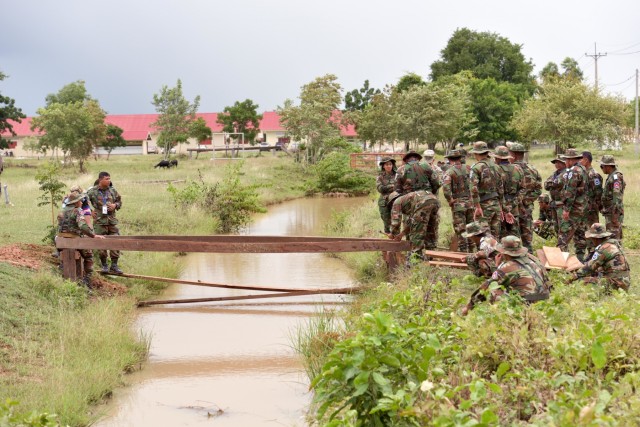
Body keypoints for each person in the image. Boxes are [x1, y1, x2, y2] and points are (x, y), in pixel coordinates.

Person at [462, 235, 550, 315]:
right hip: (544, 300)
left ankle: (507, 316)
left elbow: (487, 286)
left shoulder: (508, 267)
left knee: (494, 291)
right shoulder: (534, 259)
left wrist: (468, 307)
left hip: (526, 303)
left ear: (504, 252)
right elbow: (548, 283)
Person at [57, 190, 106, 287]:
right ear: (75, 202)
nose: (81, 202)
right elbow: (83, 226)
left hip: (61, 241)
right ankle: (86, 280)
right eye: (80, 200)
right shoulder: (78, 211)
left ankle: (63, 266)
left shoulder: (62, 212)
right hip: (74, 240)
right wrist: (93, 235)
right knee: (88, 256)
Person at [571, 223, 630, 291]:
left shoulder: (603, 249)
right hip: (624, 282)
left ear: (596, 238)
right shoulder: (613, 245)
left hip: (616, 284)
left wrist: (571, 278)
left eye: (592, 238)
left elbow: (589, 268)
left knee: (582, 281)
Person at [389, 190, 440, 263]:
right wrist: (402, 234)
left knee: (417, 233)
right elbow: (413, 222)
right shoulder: (408, 200)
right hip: (434, 201)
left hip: (423, 202)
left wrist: (393, 234)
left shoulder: (396, 202)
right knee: (430, 230)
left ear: (391, 201)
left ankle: (416, 260)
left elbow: (396, 221)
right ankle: (431, 256)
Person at [87, 171, 123, 274]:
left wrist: (115, 205)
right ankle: (104, 266)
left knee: (116, 242)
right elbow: (83, 202)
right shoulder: (92, 192)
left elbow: (119, 201)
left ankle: (114, 266)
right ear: (100, 180)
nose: (109, 181)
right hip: (99, 222)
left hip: (112, 221)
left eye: (109, 179)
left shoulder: (112, 190)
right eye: (106, 179)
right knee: (101, 245)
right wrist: (89, 211)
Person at [509, 143, 542, 253]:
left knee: (513, 234)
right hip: (527, 208)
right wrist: (527, 200)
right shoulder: (533, 169)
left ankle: (515, 257)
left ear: (513, 154)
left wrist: (516, 201)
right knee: (527, 235)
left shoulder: (510, 170)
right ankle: (529, 257)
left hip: (512, 208)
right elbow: (538, 190)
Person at [557, 148, 589, 262]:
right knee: (580, 235)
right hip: (583, 208)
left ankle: (560, 262)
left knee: (563, 236)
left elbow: (570, 192)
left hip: (574, 209)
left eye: (566, 159)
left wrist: (566, 209)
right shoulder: (583, 169)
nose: (565, 162)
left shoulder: (573, 171)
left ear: (570, 160)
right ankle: (580, 260)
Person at [469, 141, 504, 238]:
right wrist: (500, 205)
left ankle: (485, 253)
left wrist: (477, 206)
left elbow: (473, 188)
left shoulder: (476, 168)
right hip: (496, 204)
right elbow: (501, 188)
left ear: (476, 153)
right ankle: (496, 253)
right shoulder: (497, 167)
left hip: (483, 205)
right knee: (495, 237)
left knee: (483, 237)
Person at [442, 149, 474, 252]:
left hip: (458, 203)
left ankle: (463, 251)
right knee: (471, 227)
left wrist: (450, 200)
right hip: (471, 202)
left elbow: (446, 189)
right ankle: (472, 249)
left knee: (461, 229)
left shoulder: (449, 172)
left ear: (450, 159)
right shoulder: (469, 169)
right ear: (460, 158)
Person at [492, 145, 525, 238]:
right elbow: (523, 189)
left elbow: (494, 191)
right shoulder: (518, 169)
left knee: (500, 236)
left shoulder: (495, 170)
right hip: (514, 208)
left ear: (497, 158)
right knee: (514, 236)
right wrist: (514, 203)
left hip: (499, 208)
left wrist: (503, 207)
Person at [599, 155, 625, 240]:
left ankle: (616, 253)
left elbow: (617, 197)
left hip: (613, 212)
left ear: (608, 166)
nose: (601, 168)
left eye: (602, 166)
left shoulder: (616, 177)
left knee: (614, 237)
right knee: (612, 236)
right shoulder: (611, 176)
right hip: (610, 211)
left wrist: (615, 215)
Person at [544, 156, 567, 235]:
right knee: (556, 224)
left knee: (563, 225)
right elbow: (546, 185)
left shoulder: (567, 173)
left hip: (562, 203)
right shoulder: (555, 174)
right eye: (555, 162)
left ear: (564, 163)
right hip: (554, 203)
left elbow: (558, 183)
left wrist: (552, 183)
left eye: (559, 162)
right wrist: (552, 183)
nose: (556, 164)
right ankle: (559, 240)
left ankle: (563, 243)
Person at [376, 157, 397, 233]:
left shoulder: (397, 175)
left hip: (396, 200)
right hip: (384, 202)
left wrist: (387, 188)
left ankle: (396, 238)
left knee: (396, 220)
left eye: (390, 164)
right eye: (387, 164)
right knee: (386, 222)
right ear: (383, 166)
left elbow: (400, 187)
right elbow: (380, 188)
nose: (389, 166)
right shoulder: (380, 176)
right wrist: (392, 186)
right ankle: (387, 237)